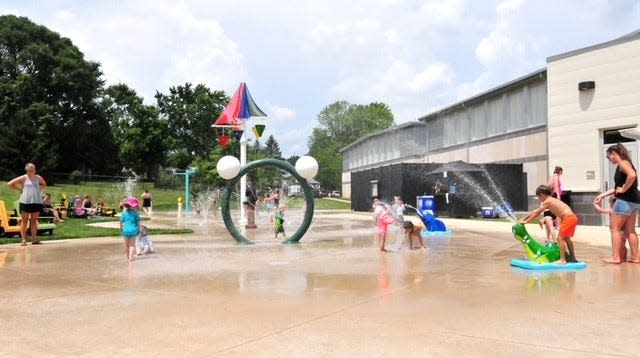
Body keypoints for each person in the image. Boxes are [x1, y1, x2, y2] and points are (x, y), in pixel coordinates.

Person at [593, 143, 640, 264]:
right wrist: (601, 195)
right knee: (630, 231)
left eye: (608, 157)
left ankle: (615, 257)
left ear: (613, 154)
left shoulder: (622, 163)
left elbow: (632, 176)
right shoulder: (628, 163)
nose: (609, 159)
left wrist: (623, 189)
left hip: (624, 200)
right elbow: (616, 188)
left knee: (614, 228)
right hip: (635, 200)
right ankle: (635, 257)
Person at [520, 185, 578, 264]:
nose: (539, 200)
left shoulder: (547, 201)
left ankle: (563, 260)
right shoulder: (551, 200)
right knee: (566, 238)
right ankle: (573, 258)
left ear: (542, 195)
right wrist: (524, 219)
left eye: (539, 197)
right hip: (572, 218)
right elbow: (535, 211)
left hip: (568, 218)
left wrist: (527, 221)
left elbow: (537, 213)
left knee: (560, 238)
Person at [7, 163, 47, 246]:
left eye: (32, 169)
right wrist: (19, 190)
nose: (31, 170)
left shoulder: (38, 177)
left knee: (34, 221)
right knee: (24, 221)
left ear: (35, 170)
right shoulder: (23, 177)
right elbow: (10, 183)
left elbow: (44, 184)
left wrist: (39, 189)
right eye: (29, 169)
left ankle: (34, 239)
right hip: (25, 201)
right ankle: (23, 240)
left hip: (36, 201)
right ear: (26, 169)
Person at [120, 197, 141, 261]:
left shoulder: (124, 213)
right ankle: (131, 257)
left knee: (127, 245)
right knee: (132, 245)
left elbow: (121, 221)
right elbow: (138, 223)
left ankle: (127, 257)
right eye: (135, 206)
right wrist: (138, 229)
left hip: (126, 230)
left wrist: (121, 227)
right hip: (133, 230)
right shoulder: (136, 213)